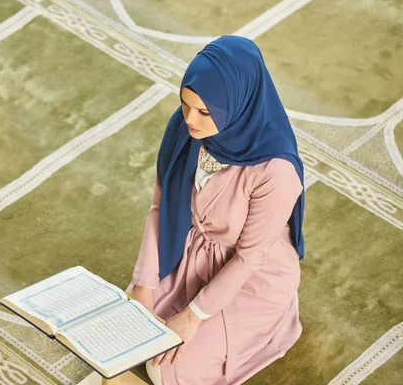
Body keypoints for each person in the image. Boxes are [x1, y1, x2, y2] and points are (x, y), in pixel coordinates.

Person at [124, 35, 306, 385]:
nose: (190, 120)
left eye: (205, 112)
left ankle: (269, 325)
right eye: (185, 104)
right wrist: (144, 284)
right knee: (126, 333)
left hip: (249, 278)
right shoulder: (184, 128)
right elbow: (161, 207)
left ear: (240, 104)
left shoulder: (276, 171)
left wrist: (192, 316)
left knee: (166, 370)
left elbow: (248, 258)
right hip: (186, 256)